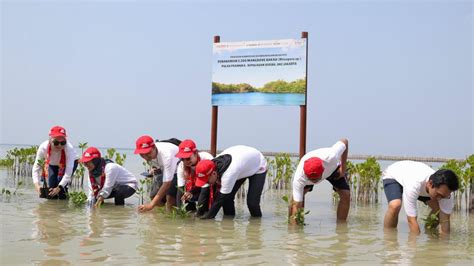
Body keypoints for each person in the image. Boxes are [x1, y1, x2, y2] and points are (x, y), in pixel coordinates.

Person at [382, 160, 459, 234]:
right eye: (438, 195)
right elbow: (411, 221)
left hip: (421, 187)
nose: (440, 199)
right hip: (394, 175)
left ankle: (428, 232)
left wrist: (444, 245)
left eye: (443, 196)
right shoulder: (414, 184)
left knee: (438, 211)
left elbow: (445, 222)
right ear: (430, 184)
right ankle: (389, 237)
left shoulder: (446, 194)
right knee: (395, 205)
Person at [194, 145, 267, 219]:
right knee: (227, 199)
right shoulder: (213, 164)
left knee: (252, 203)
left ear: (214, 173)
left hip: (257, 165)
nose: (206, 183)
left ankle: (256, 225)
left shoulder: (228, 174)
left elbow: (219, 200)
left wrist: (206, 218)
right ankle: (229, 223)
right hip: (242, 164)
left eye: (206, 181)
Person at [289, 138, 350, 224]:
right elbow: (297, 205)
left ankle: (341, 226)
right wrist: (294, 235)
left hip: (332, 169)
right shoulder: (299, 178)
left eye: (316, 179)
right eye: (312, 180)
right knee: (295, 201)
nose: (315, 182)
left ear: (323, 171)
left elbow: (345, 141)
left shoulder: (332, 156)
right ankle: (290, 224)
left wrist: (343, 169)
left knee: (346, 195)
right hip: (309, 174)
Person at [134, 135, 179, 212]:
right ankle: (161, 218)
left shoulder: (167, 155)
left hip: (178, 169)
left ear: (154, 147)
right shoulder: (150, 155)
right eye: (142, 154)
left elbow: (167, 183)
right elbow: (156, 164)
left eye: (148, 153)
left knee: (170, 197)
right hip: (165, 170)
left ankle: (172, 218)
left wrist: (150, 205)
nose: (145, 156)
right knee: (153, 196)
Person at [32, 126, 78, 199]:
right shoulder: (43, 147)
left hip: (68, 163)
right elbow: (36, 167)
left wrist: (59, 187)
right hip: (52, 164)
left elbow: (68, 173)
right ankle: (53, 208)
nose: (60, 145)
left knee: (62, 187)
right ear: (50, 141)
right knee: (52, 187)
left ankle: (63, 207)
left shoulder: (69, 148)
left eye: (63, 142)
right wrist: (37, 185)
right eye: (56, 143)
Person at [175, 139, 213, 211]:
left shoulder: (206, 159)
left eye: (188, 158)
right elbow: (180, 190)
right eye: (182, 159)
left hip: (208, 185)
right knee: (187, 198)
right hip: (194, 187)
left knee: (203, 208)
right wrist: (179, 212)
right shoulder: (181, 166)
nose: (185, 161)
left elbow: (206, 189)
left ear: (195, 153)